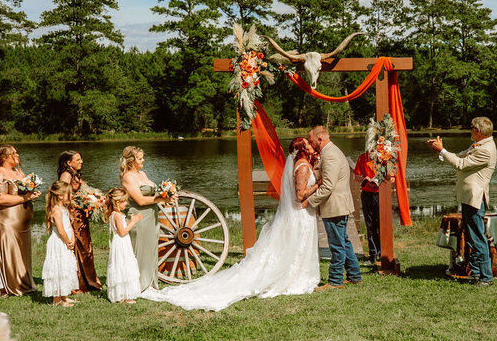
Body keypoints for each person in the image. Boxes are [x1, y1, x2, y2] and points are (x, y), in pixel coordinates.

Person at [141, 137, 321, 310]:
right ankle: (293, 278)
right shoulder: (303, 167)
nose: (313, 147)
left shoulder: (302, 165)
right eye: (309, 145)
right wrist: (318, 185)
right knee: (296, 246)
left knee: (296, 247)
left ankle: (296, 275)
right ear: (303, 150)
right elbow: (299, 196)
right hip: (300, 215)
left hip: (300, 214)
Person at [430, 116, 497, 286]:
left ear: (478, 132)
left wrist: (442, 151)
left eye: (471, 128)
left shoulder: (486, 150)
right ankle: (475, 272)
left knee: (477, 237)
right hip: (469, 197)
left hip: (475, 198)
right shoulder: (480, 145)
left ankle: (485, 277)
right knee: (470, 236)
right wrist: (441, 151)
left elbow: (460, 164)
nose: (469, 131)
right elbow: (460, 157)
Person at [307, 126, 361, 290]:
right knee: (343, 241)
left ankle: (335, 281)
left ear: (320, 139)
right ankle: (354, 276)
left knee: (337, 245)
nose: (310, 144)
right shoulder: (330, 152)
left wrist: (309, 201)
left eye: (311, 141)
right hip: (338, 205)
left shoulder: (330, 155)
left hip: (335, 206)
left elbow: (328, 186)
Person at [0, 145, 40, 295]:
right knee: (10, 251)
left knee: (22, 252)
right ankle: (9, 286)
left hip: (22, 220)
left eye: (17, 152)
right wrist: (25, 197)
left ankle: (23, 282)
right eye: (13, 153)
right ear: (3, 157)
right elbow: (0, 199)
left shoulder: (17, 171)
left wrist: (32, 192)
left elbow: (23, 191)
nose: (17, 155)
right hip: (7, 219)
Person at [57, 151, 102, 294]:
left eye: (81, 158)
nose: (81, 161)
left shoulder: (74, 174)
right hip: (73, 214)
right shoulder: (66, 175)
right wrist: (81, 203)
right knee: (80, 245)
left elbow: (81, 191)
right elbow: (62, 195)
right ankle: (79, 282)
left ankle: (89, 280)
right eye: (78, 159)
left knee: (85, 246)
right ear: (69, 163)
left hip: (80, 213)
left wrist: (92, 199)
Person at [119, 146, 160, 293]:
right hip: (140, 216)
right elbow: (141, 200)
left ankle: (151, 283)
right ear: (131, 161)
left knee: (151, 249)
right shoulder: (128, 177)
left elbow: (153, 193)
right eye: (140, 158)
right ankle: (140, 285)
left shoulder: (142, 173)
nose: (143, 160)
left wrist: (165, 197)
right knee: (141, 250)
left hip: (152, 216)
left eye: (143, 157)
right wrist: (161, 198)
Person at [103, 188, 143, 304]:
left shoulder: (113, 214)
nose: (126, 203)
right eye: (124, 201)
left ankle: (122, 294)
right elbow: (122, 232)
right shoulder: (118, 215)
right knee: (123, 266)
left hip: (119, 243)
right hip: (121, 243)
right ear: (117, 202)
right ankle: (124, 296)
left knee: (121, 266)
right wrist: (133, 221)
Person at [42, 180, 78, 308]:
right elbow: (61, 230)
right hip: (59, 242)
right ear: (60, 195)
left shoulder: (63, 208)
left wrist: (73, 238)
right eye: (68, 194)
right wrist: (68, 241)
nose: (71, 196)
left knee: (65, 268)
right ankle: (57, 299)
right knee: (58, 268)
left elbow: (69, 226)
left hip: (66, 241)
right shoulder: (56, 210)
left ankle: (64, 296)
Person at [353, 150, 383, 266]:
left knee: (380, 224)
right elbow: (356, 176)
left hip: (380, 194)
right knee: (370, 225)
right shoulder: (362, 157)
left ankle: (382, 252)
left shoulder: (384, 157)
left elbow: (392, 177)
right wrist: (364, 179)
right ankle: (372, 254)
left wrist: (377, 181)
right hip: (366, 194)